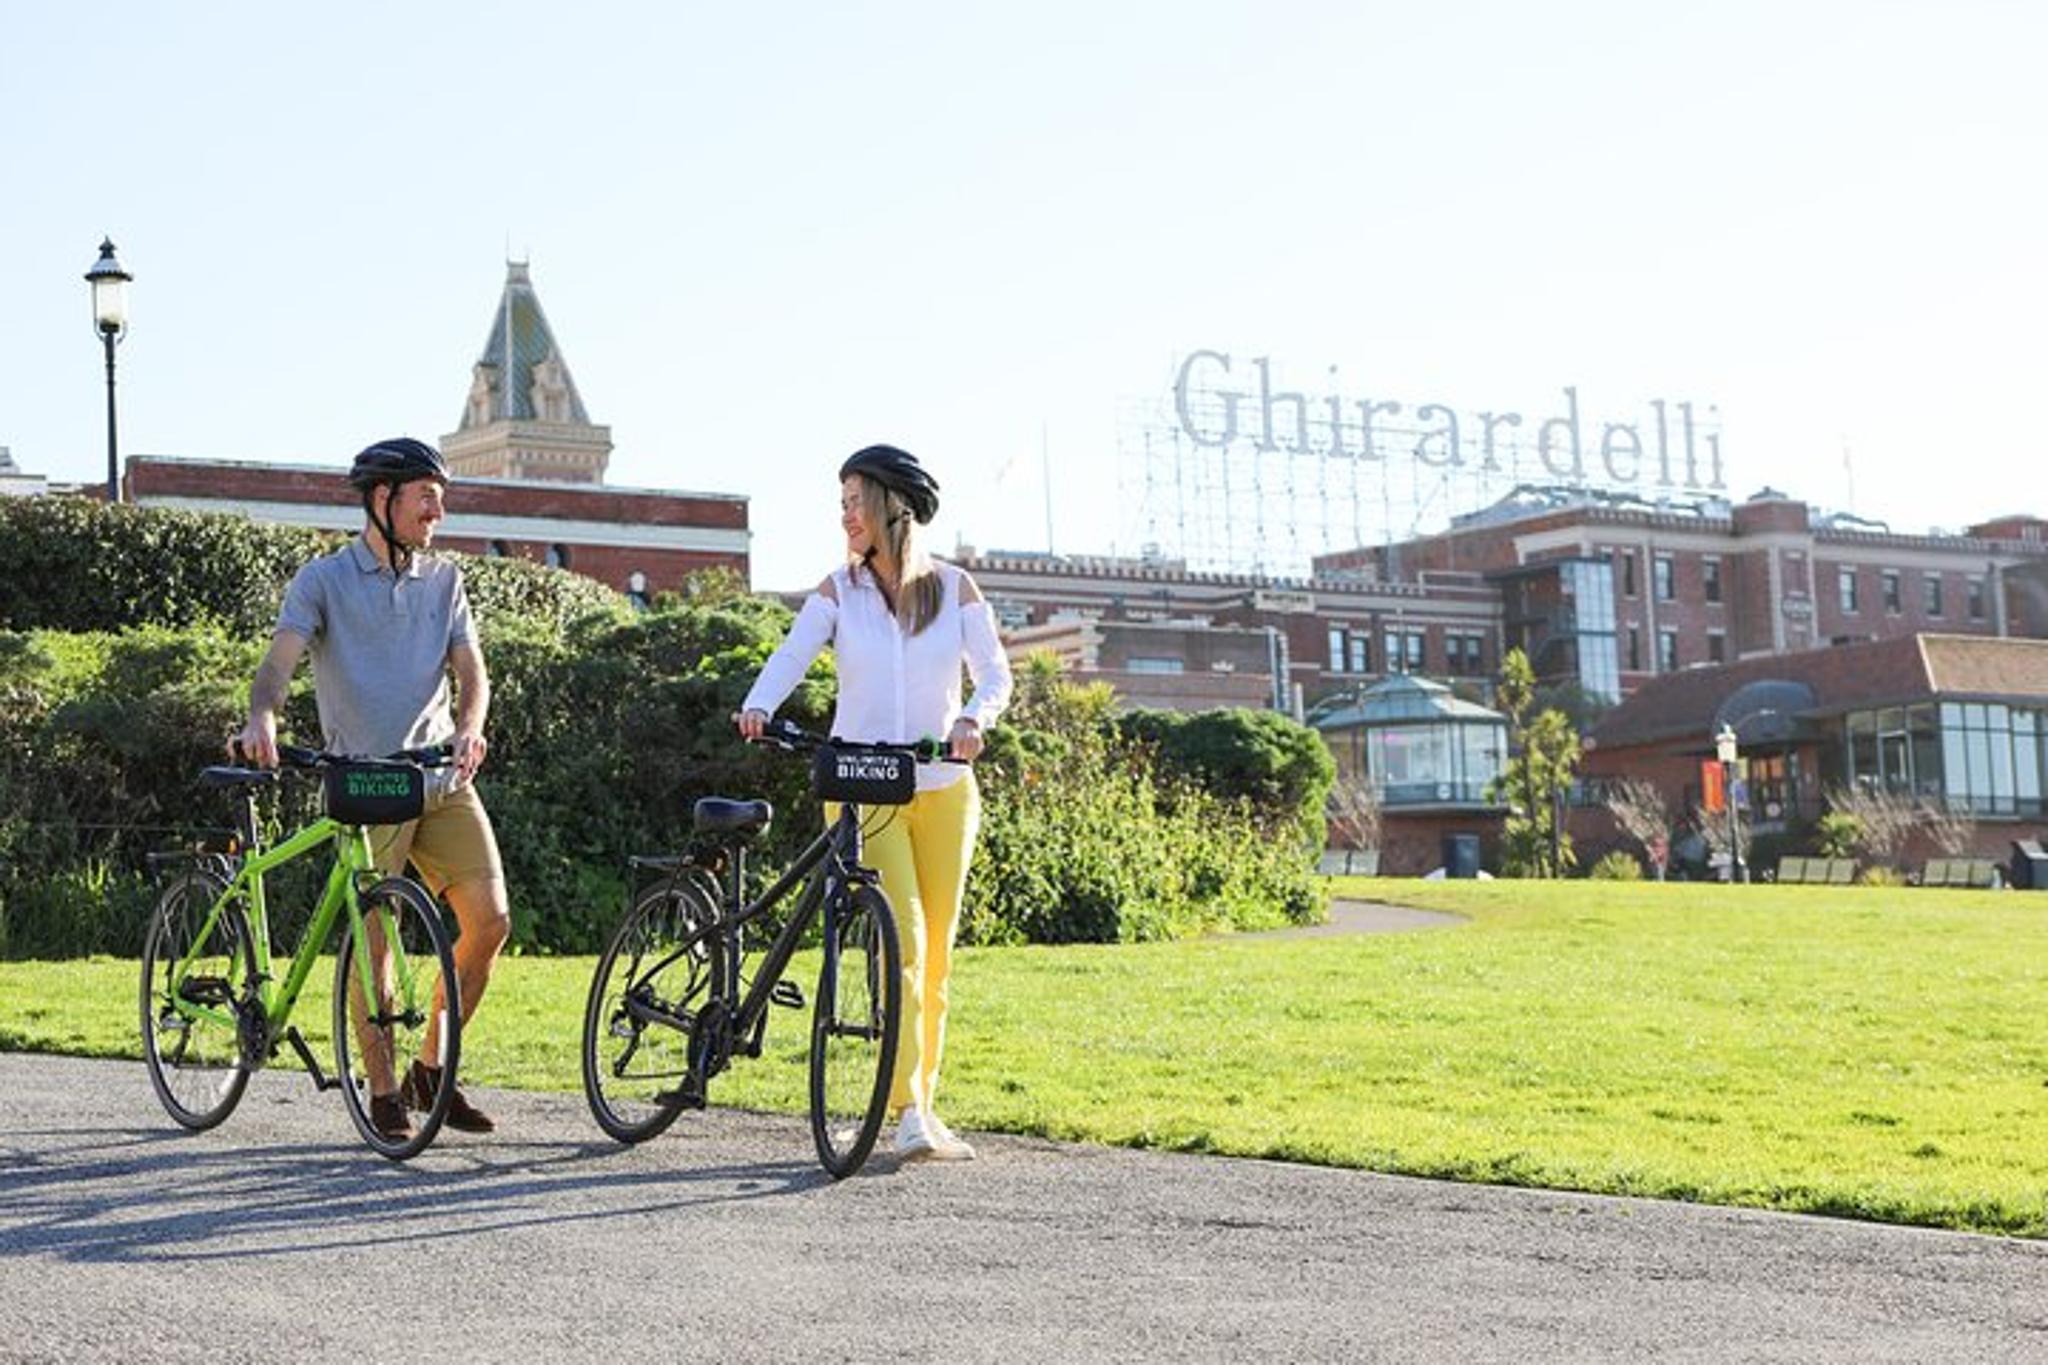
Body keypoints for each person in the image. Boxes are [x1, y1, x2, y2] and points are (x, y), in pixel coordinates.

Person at [738, 444, 1012, 1162]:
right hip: (863, 790)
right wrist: (759, 704)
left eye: (855, 500)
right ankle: (907, 1109)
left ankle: (922, 1102)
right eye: (842, 502)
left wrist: (972, 720)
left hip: (944, 789)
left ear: (894, 505)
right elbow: (791, 654)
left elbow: (995, 675)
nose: (845, 515)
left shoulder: (956, 588)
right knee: (906, 943)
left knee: (939, 957)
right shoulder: (839, 591)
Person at [233, 437, 510, 1141]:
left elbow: (472, 674)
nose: (438, 511)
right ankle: (383, 1087)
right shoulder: (324, 580)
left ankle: (430, 1066)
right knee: (376, 933)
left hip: (441, 776)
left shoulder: (446, 582)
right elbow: (279, 664)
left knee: (490, 921)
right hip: (367, 778)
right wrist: (263, 713)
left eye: (440, 498)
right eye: (426, 495)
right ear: (382, 499)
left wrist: (470, 727)